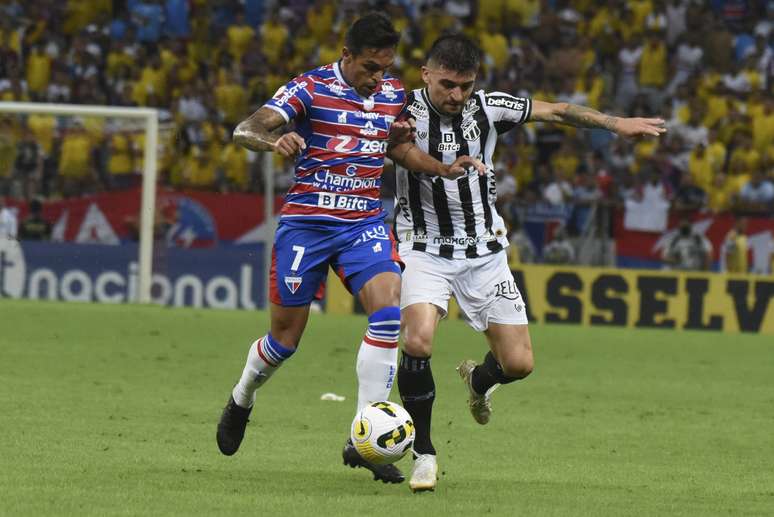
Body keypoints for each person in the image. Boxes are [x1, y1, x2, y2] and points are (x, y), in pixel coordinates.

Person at [215, 14, 483, 484]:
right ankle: (242, 397)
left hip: (363, 223)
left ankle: (364, 440)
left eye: (385, 68)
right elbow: (246, 129)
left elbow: (394, 149)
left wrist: (440, 168)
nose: (378, 78)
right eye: (369, 68)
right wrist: (275, 138)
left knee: (387, 313)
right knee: (284, 341)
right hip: (306, 226)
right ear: (346, 56)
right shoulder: (309, 88)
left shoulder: (392, 94)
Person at [393, 34, 666, 492]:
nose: (456, 95)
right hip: (423, 246)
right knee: (418, 340)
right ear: (426, 75)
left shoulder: (488, 108)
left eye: (465, 85)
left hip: (484, 252)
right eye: (447, 85)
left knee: (518, 364)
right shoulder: (400, 109)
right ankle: (424, 452)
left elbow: (557, 111)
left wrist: (616, 124)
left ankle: (479, 381)